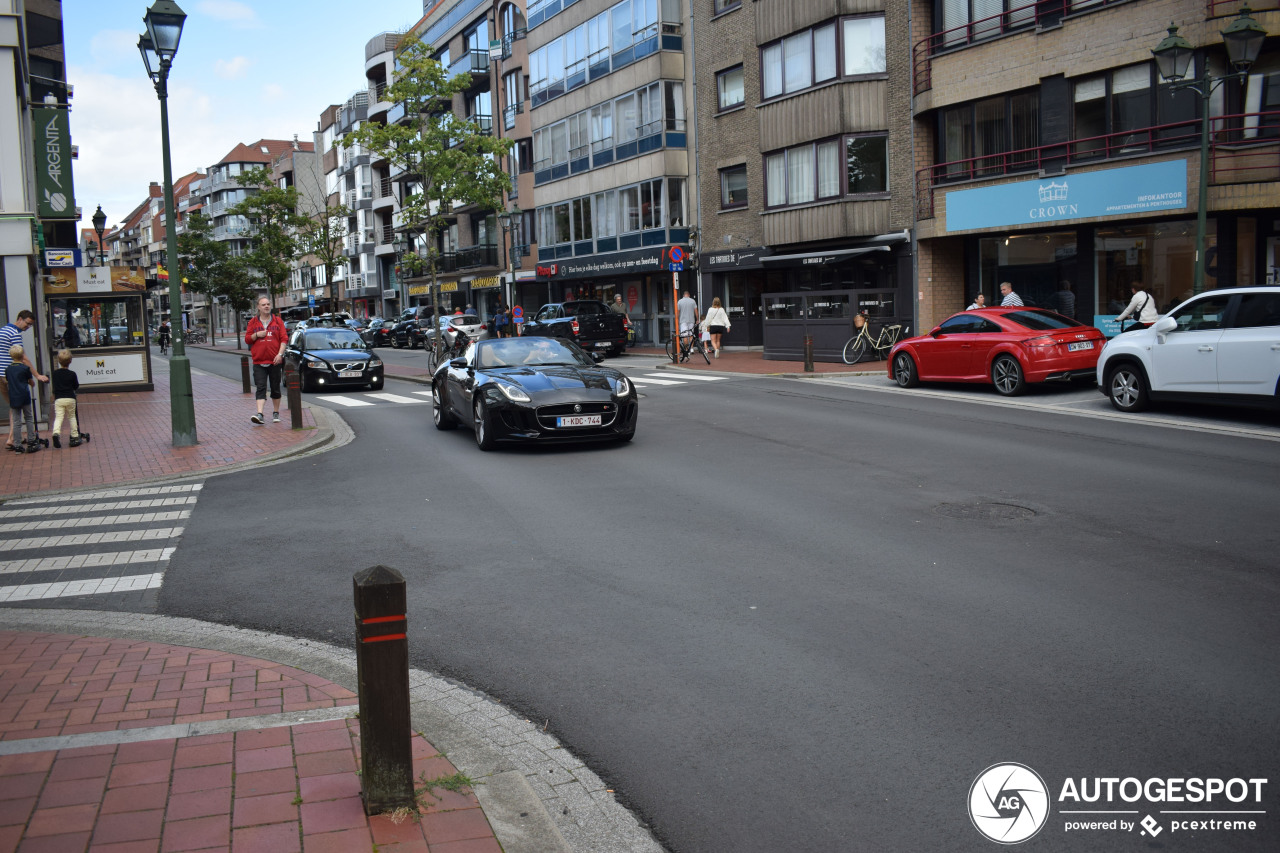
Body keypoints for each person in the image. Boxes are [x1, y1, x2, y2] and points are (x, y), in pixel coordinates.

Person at [1, 310, 48, 450]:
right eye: (27, 324)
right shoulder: (15, 334)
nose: (27, 327)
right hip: (10, 375)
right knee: (17, 407)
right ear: (20, 319)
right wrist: (37, 375)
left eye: (30, 325)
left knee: (12, 405)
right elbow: (24, 358)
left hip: (1, 373)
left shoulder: (3, 330)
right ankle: (12, 438)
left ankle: (14, 437)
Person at [244, 295, 287, 425]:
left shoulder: (278, 321)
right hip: (259, 361)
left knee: (275, 388)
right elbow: (247, 339)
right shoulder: (253, 322)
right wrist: (257, 334)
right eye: (263, 305)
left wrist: (280, 354)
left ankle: (275, 412)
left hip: (274, 361)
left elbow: (284, 339)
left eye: (268, 304)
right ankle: (260, 414)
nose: (266, 306)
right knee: (261, 387)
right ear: (258, 307)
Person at [6, 344, 45, 453]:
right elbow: (31, 382)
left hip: (13, 397)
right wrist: (32, 383)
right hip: (24, 395)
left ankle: (18, 445)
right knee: (28, 417)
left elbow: (8, 381)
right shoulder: (25, 368)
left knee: (16, 420)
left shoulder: (8, 369)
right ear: (22, 355)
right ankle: (31, 440)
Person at [50, 349, 88, 448]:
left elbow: (54, 385)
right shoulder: (72, 374)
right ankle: (75, 435)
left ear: (58, 360)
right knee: (72, 417)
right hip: (70, 398)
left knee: (59, 417)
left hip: (59, 399)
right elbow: (76, 386)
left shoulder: (55, 374)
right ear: (70, 361)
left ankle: (56, 433)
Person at [676, 290, 699, 361]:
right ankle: (691, 349)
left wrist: (676, 320)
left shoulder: (679, 301)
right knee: (691, 335)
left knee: (685, 335)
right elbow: (696, 311)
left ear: (683, 295)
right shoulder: (693, 301)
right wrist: (697, 319)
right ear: (688, 295)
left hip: (683, 321)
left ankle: (686, 350)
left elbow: (678, 312)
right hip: (691, 320)